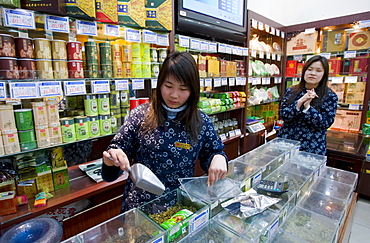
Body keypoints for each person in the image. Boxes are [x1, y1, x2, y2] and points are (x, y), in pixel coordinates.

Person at [101, 51, 228, 212]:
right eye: (168, 86)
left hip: (180, 207)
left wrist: (218, 157)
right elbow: (115, 159)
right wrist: (112, 159)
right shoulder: (140, 115)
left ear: (193, 90)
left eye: (183, 89)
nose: (174, 95)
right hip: (139, 206)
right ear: (160, 83)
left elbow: (214, 152)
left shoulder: (200, 121)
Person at [277, 55, 338, 155]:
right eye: (310, 69)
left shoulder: (330, 96)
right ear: (304, 71)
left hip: (312, 147)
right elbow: (283, 115)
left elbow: (325, 124)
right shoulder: (291, 91)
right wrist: (299, 103)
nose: (313, 73)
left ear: (324, 74)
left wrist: (308, 108)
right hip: (286, 143)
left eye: (318, 71)